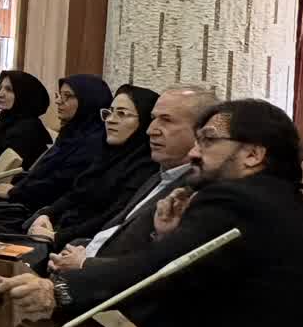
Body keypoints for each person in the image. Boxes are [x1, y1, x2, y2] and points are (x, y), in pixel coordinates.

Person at [0, 99, 303, 327]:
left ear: (253, 155)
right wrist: (168, 237)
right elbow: (193, 270)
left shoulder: (237, 200)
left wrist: (58, 289)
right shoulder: (279, 200)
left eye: (208, 141)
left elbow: (157, 270)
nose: (193, 153)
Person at [43, 84, 215, 266]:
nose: (151, 130)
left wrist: (83, 263)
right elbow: (113, 231)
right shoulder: (160, 175)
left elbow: (151, 260)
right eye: (153, 119)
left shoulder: (194, 190)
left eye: (166, 120)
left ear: (202, 133)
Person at [21, 85, 160, 249]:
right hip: (60, 228)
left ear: (144, 122)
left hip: (81, 246)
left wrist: (57, 236)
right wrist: (47, 214)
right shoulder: (107, 153)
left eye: (122, 114)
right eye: (109, 112)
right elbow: (76, 193)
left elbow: (112, 217)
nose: (110, 119)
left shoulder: (146, 167)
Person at [0, 75, 111, 222]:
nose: (58, 101)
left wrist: (13, 193)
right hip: (22, 207)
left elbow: (58, 186)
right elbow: (37, 176)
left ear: (88, 102)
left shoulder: (93, 145)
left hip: (40, 219)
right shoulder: (70, 134)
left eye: (67, 96)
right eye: (59, 95)